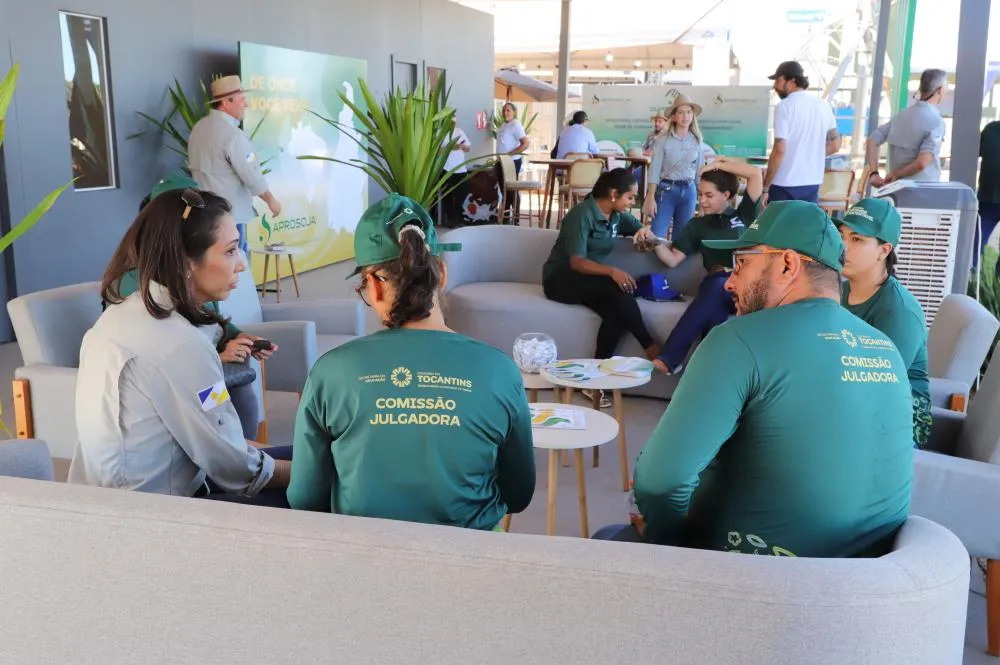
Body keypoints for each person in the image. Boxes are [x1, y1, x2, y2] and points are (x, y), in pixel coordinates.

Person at [595, 201, 914, 558]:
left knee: (609, 539)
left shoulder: (739, 340)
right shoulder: (885, 349)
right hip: (864, 584)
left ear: (788, 264)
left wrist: (669, 541)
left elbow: (660, 482)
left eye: (743, 263)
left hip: (760, 584)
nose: (730, 281)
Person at [287, 194, 536, 528]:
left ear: (373, 285)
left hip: (362, 564)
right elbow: (519, 495)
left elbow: (304, 498)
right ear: (442, 274)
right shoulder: (500, 370)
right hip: (470, 565)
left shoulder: (330, 371)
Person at [69, 189, 292, 503]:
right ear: (186, 261)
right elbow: (235, 468)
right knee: (324, 488)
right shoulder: (183, 346)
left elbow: (215, 436)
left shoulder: (117, 317)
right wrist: (308, 474)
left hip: (105, 499)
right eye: (230, 251)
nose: (241, 264)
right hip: (158, 515)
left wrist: (253, 448)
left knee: (301, 456)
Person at [115, 178, 281, 440]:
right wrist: (216, 356)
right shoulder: (138, 298)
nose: (241, 265)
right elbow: (225, 456)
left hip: (202, 390)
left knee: (237, 401)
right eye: (230, 251)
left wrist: (238, 337)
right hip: (193, 397)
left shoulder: (193, 288)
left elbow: (211, 322)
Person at [543, 169, 660, 406]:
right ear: (614, 194)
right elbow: (576, 262)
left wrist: (642, 232)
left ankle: (594, 382)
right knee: (615, 285)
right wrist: (611, 271)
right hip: (561, 279)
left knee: (616, 313)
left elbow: (636, 226)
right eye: (630, 197)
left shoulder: (616, 216)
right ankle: (651, 347)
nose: (632, 202)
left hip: (588, 282)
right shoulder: (581, 215)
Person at [647, 156, 763, 375]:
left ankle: (671, 358)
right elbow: (673, 259)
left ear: (726, 195)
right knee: (713, 308)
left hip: (746, 286)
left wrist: (717, 166)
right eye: (700, 194)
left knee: (714, 295)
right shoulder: (696, 225)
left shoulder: (744, 214)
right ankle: (706, 377)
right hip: (717, 286)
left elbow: (755, 174)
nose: (702, 201)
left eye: (709, 195)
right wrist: (653, 241)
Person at [838, 198, 931, 448]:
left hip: (900, 428)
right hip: (850, 407)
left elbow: (881, 390)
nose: (842, 246)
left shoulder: (898, 311)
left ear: (884, 250)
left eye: (856, 239)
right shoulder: (838, 291)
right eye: (842, 235)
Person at [188, 75, 281, 257]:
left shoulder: (198, 128)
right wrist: (271, 201)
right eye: (241, 100)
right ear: (226, 102)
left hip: (205, 215)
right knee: (237, 266)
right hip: (232, 216)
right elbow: (251, 175)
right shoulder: (233, 135)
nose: (245, 105)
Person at [763, 61, 839, 205]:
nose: (775, 86)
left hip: (784, 183)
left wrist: (766, 186)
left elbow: (779, 150)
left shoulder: (784, 107)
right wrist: (810, 154)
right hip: (812, 182)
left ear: (792, 81)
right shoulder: (824, 106)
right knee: (805, 226)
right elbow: (835, 145)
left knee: (781, 227)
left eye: (778, 81)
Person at [866, 69, 947, 189]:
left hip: (896, 191)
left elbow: (872, 140)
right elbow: (922, 163)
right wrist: (896, 175)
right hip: (924, 191)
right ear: (940, 90)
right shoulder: (936, 122)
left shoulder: (901, 116)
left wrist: (874, 173)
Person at [641, 95, 705, 239]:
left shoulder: (697, 140)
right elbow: (655, 169)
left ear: (693, 115)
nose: (685, 116)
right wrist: (650, 196)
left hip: (689, 192)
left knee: (682, 240)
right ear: (674, 116)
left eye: (689, 112)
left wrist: (702, 199)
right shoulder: (663, 139)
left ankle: (676, 261)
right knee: (657, 238)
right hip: (666, 191)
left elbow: (699, 172)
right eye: (681, 112)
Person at [441, 116, 472, 225]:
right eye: (450, 122)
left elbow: (468, 148)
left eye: (454, 122)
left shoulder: (459, 132)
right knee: (447, 195)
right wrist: (450, 147)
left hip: (460, 169)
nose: (452, 124)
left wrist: (462, 146)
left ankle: (456, 216)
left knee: (463, 191)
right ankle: (450, 219)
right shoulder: (441, 133)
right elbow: (437, 150)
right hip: (447, 169)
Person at [978, 119, 1000, 273]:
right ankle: (972, 278)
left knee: (977, 240)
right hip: (988, 199)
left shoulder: (991, 129)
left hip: (988, 198)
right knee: (977, 242)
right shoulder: (990, 130)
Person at [496, 102, 529, 176]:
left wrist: (509, 155)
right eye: (504, 110)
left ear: (514, 112)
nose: (505, 112)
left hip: (511, 161)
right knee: (502, 186)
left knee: (510, 186)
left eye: (508, 110)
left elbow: (526, 144)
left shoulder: (515, 124)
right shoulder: (504, 124)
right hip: (502, 161)